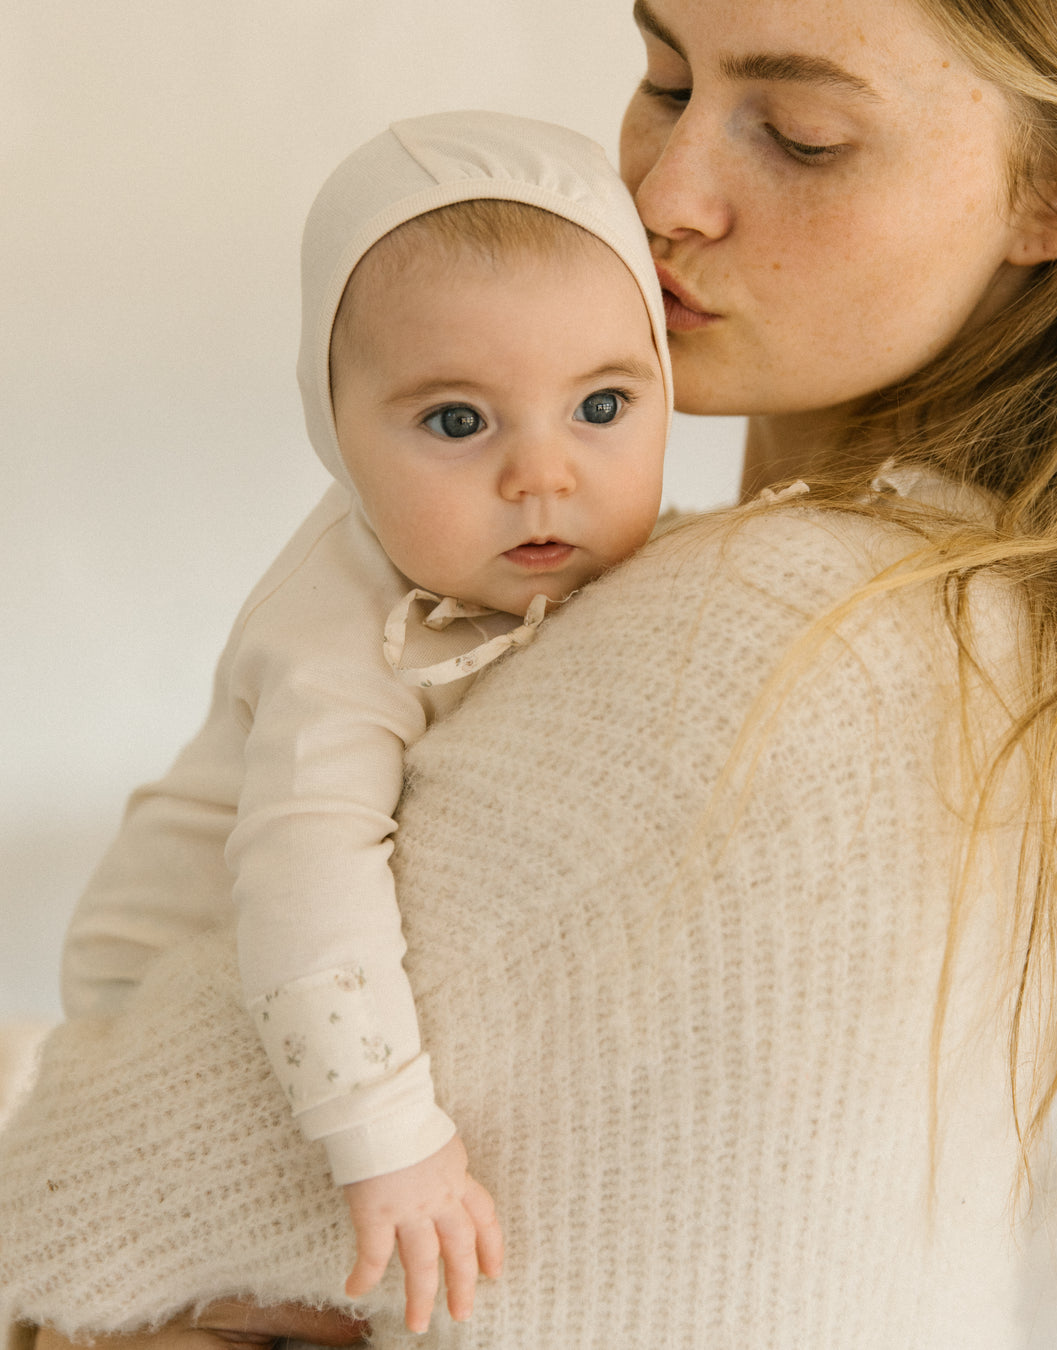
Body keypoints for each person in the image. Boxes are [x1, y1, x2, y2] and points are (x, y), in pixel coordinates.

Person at [4, 0, 1057, 1344]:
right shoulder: (970, 631)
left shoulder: (808, 645)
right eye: (665, 77)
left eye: (802, 137)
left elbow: (68, 1190)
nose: (664, 193)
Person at [54, 109, 672, 1335]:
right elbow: (304, 886)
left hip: (309, 975)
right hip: (182, 978)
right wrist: (388, 1138)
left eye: (602, 406)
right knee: (280, 1276)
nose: (542, 475)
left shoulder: (601, 561)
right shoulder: (338, 635)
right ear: (337, 435)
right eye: (458, 422)